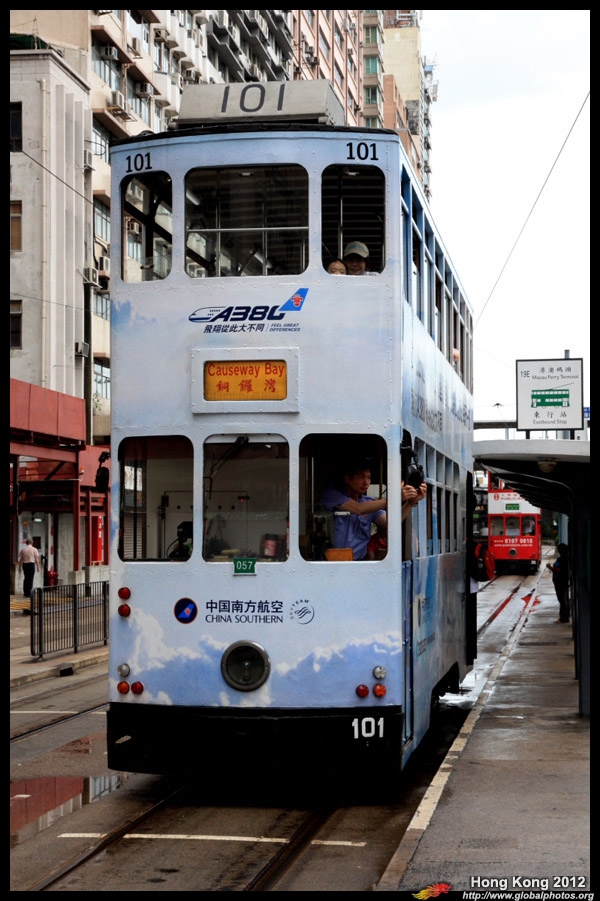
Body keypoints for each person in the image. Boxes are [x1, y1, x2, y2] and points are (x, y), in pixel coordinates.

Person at [320, 460, 426, 561]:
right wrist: (395, 498)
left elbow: (389, 522)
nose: (366, 483)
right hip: (331, 564)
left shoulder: (369, 502)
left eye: (369, 478)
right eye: (361, 477)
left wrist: (410, 503)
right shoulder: (332, 495)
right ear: (348, 479)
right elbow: (357, 508)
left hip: (361, 563)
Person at [546, 543, 570, 623]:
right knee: (564, 599)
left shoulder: (562, 559)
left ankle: (563, 618)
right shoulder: (566, 559)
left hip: (560, 582)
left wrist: (549, 567)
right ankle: (565, 616)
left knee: (562, 600)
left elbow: (557, 570)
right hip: (562, 581)